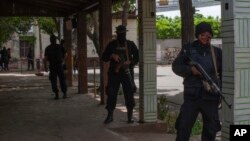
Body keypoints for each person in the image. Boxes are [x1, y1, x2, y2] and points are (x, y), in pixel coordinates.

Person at [172, 22, 222, 141]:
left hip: (210, 97)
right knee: (183, 128)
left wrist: (221, 91)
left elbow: (224, 73)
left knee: (211, 131)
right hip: (192, 97)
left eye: (209, 35)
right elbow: (176, 67)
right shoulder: (188, 50)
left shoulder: (216, 52)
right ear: (197, 35)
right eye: (203, 34)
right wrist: (190, 70)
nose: (206, 37)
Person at [102, 25, 139, 124]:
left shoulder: (130, 44)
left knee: (129, 94)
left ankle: (130, 116)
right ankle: (110, 116)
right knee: (111, 93)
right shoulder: (112, 44)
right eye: (120, 33)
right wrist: (111, 55)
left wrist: (130, 62)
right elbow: (104, 57)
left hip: (127, 73)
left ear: (125, 33)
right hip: (114, 73)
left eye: (123, 33)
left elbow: (137, 56)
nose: (121, 35)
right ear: (117, 34)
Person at [44, 35, 67, 100]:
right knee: (62, 79)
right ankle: (64, 93)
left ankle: (57, 94)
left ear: (50, 40)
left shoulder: (48, 48)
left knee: (53, 80)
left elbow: (45, 58)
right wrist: (63, 60)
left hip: (52, 66)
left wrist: (45, 67)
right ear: (55, 40)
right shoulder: (60, 47)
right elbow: (66, 54)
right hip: (59, 65)